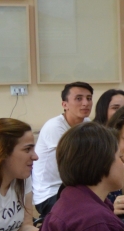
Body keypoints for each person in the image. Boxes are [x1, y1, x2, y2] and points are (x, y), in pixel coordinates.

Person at [33, 81, 94, 217]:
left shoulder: (87, 123)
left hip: (73, 189)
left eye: (89, 98)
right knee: (89, 212)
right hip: (50, 194)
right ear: (64, 104)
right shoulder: (54, 127)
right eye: (79, 98)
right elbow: (73, 164)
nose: (85, 103)